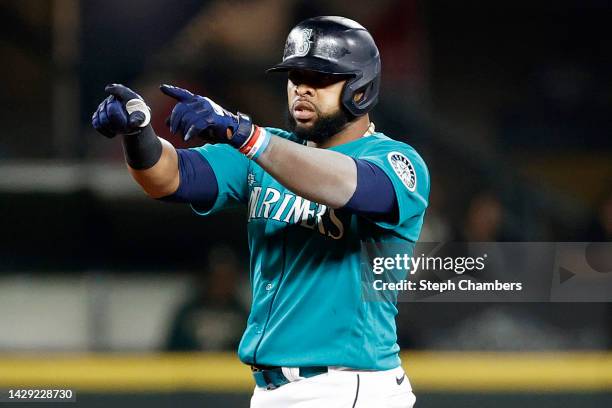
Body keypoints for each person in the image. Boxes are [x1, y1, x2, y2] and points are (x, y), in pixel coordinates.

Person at [92, 16, 429, 408]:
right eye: (295, 75)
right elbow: (170, 178)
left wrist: (247, 136)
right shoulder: (266, 153)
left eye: (320, 78)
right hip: (272, 389)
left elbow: (345, 184)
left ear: (360, 88)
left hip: (348, 385)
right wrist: (138, 134)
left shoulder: (397, 161)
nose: (302, 88)